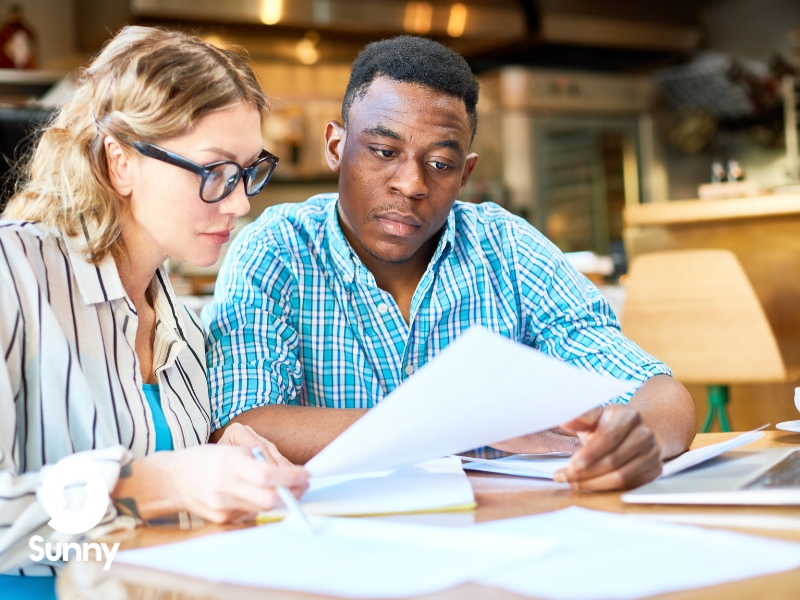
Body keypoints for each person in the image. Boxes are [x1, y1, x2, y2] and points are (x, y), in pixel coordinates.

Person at [203, 36, 696, 492]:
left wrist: (641, 438)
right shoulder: (276, 247)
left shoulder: (506, 248)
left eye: (440, 163)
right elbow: (247, 421)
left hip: (501, 536)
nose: (411, 183)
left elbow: (659, 392)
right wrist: (461, 424)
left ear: (466, 175)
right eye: (383, 151)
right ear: (336, 147)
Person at [0, 26, 308, 594]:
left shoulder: (183, 329)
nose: (240, 202)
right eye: (214, 171)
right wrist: (151, 484)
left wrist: (220, 455)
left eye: (247, 172)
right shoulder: (11, 274)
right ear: (120, 162)